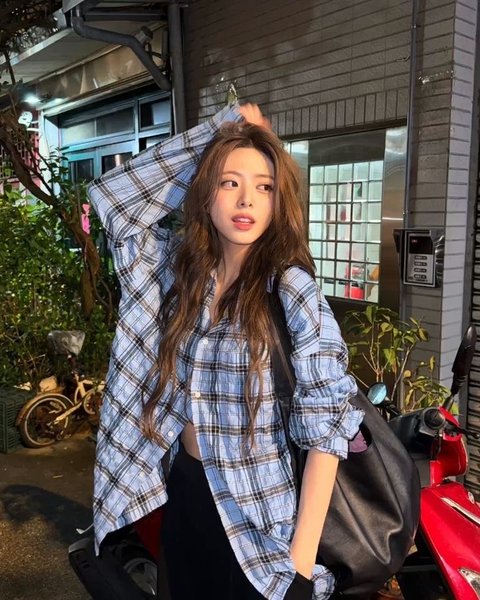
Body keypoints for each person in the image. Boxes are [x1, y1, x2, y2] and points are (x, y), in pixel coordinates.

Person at [88, 102, 363, 600]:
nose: (247, 199)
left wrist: (300, 568)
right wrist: (218, 131)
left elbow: (327, 430)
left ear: (279, 200)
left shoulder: (290, 287)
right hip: (186, 495)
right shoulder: (179, 275)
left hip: (259, 522)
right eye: (229, 182)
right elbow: (114, 199)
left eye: (265, 186)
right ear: (205, 192)